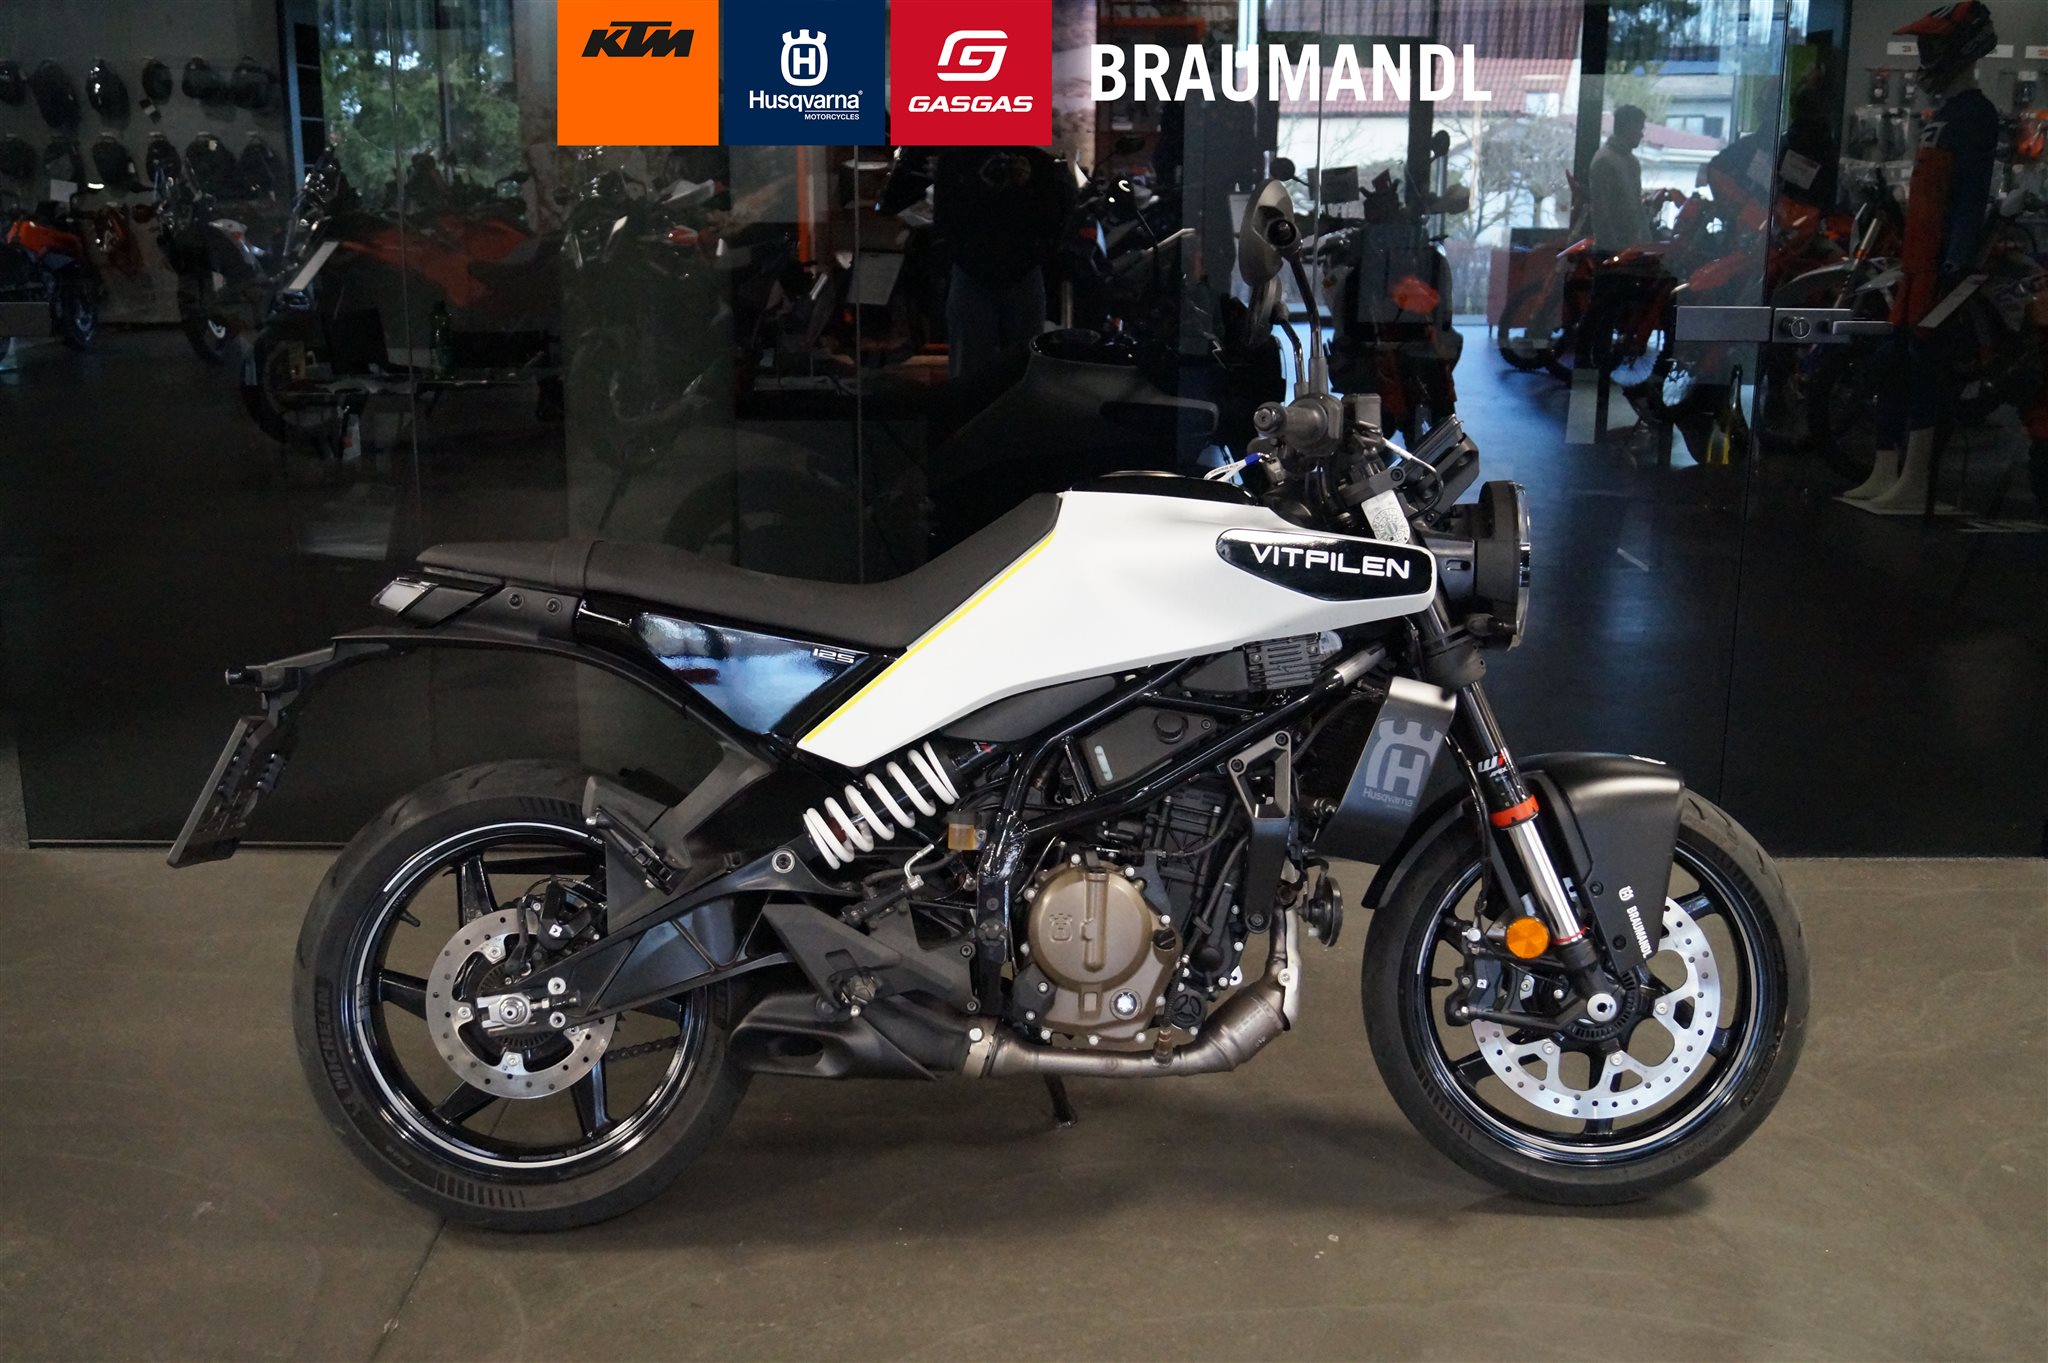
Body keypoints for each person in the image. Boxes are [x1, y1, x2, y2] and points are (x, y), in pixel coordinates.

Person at [1844, 0, 2001, 512]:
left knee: (1923, 366)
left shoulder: (1974, 114)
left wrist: (1956, 261)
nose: (1924, 58)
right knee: (1893, 361)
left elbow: (1970, 196)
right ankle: (1886, 468)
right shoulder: (1945, 114)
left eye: (1931, 47)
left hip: (1938, 264)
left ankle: (1914, 480)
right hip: (1917, 260)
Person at [933, 145, 1074, 381]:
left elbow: (1056, 214)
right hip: (977, 271)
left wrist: (1028, 187)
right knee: (974, 371)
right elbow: (946, 216)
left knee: (1022, 367)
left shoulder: (1038, 161)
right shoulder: (958, 159)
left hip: (1015, 271)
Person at [1588, 105, 1650, 252]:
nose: (1641, 135)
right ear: (1628, 127)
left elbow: (1636, 206)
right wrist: (1611, 248)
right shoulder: (1605, 161)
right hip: (1613, 250)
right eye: (1640, 129)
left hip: (1630, 247)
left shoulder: (1631, 162)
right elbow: (1601, 210)